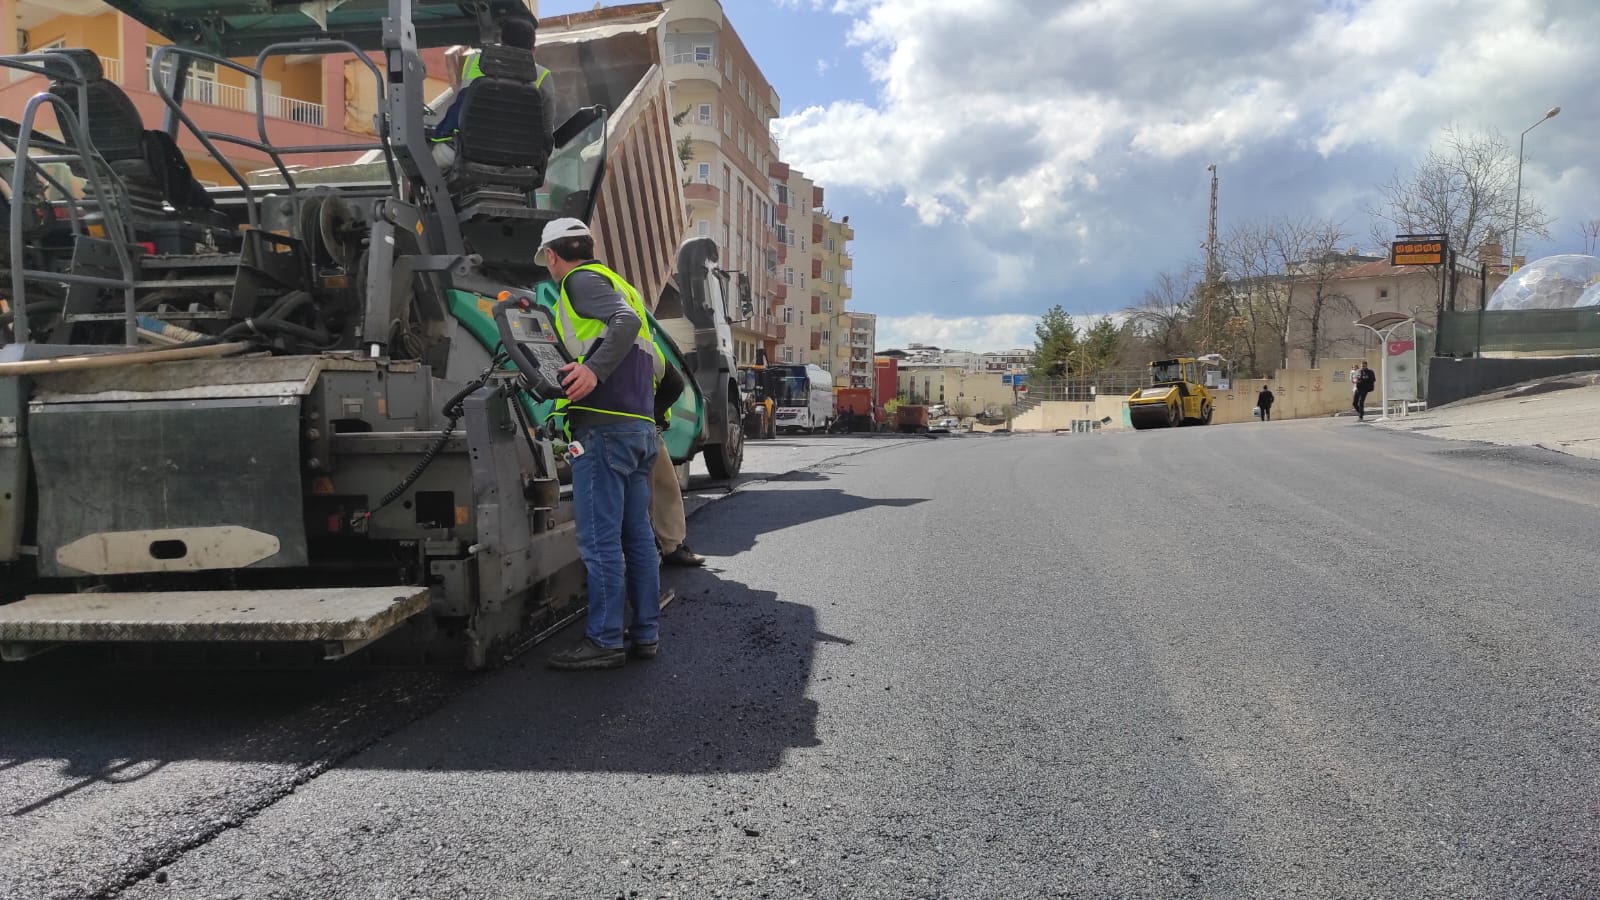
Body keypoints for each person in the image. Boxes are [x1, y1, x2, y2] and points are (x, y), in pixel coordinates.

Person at [539, 218, 664, 670]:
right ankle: (645, 633)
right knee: (638, 539)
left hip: (605, 429)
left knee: (600, 542)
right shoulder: (621, 284)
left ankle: (605, 639)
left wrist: (593, 371)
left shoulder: (577, 281)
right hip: (638, 429)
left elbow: (624, 323)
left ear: (552, 255)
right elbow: (657, 359)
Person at [430, 16, 555, 172]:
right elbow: (546, 132)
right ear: (533, 50)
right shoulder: (543, 76)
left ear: (501, 43)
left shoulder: (476, 62)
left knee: (425, 168)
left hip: (468, 153)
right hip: (518, 161)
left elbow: (460, 113)